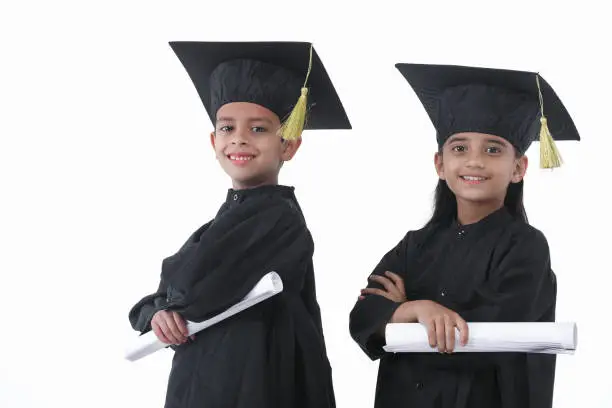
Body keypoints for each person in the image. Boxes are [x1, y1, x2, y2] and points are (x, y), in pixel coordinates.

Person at [128, 41, 351, 408]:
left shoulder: (279, 220)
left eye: (259, 129)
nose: (239, 138)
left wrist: (167, 303)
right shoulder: (219, 224)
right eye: (227, 127)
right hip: (205, 383)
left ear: (289, 145)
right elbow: (157, 300)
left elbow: (191, 287)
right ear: (214, 141)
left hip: (257, 386)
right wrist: (157, 312)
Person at [349, 63, 580, 408]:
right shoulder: (415, 245)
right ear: (440, 164)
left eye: (492, 149)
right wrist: (417, 308)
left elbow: (484, 339)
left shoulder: (525, 247)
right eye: (459, 148)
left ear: (518, 168)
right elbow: (362, 317)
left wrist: (399, 318)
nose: (474, 161)